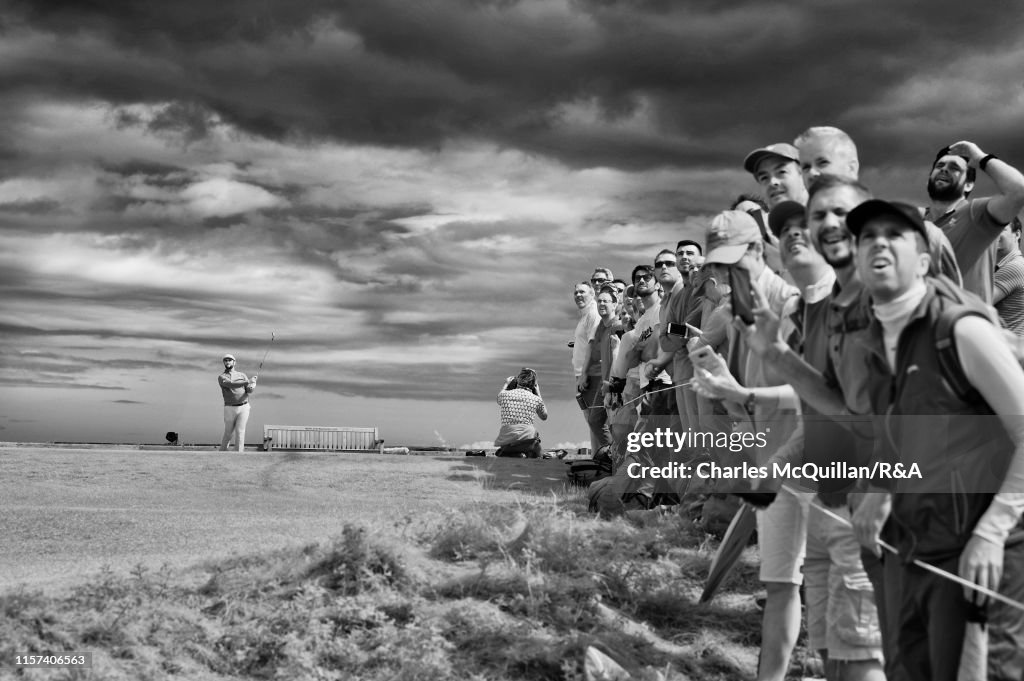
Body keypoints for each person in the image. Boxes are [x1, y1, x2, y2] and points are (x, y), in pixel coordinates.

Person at [842, 199, 1024, 681]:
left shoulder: (960, 329)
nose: (878, 242)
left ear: (924, 261)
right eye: (867, 237)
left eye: (895, 235)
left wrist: (992, 533)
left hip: (980, 550)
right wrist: (880, 488)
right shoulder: (874, 339)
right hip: (916, 541)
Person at [691, 210, 804, 681]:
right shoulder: (739, 320)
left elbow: (827, 396)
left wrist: (742, 396)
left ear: (759, 252)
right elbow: (751, 413)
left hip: (821, 458)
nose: (722, 276)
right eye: (716, 268)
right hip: (772, 466)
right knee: (779, 584)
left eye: (731, 265)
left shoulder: (797, 307)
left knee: (843, 589)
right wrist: (726, 391)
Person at [923, 141, 1024, 303]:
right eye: (939, 165)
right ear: (929, 179)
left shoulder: (976, 214)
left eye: (954, 168)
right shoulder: (915, 221)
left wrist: (981, 159)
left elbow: (1018, 191)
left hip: (965, 324)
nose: (944, 169)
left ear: (969, 185)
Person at [571, 281, 601, 453]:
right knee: (591, 419)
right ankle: (596, 457)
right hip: (581, 373)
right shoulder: (584, 316)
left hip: (588, 374)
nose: (578, 295)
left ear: (592, 294)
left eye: (582, 292)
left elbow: (592, 344)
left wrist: (584, 373)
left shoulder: (593, 313)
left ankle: (601, 458)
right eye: (576, 293)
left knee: (595, 420)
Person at [494, 368, 548, 458]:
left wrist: (506, 384)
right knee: (535, 439)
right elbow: (544, 416)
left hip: (507, 444)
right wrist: (538, 392)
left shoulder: (503, 395)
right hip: (528, 444)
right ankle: (530, 454)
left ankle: (515, 454)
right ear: (534, 385)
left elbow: (498, 399)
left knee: (507, 443)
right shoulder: (536, 399)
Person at [219, 353, 256, 453]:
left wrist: (252, 386)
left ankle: (238, 454)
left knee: (240, 431)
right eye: (225, 360)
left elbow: (248, 390)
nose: (227, 362)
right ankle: (222, 452)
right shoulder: (222, 377)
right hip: (229, 408)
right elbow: (231, 385)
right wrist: (248, 381)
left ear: (234, 362)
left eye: (229, 360)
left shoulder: (242, 375)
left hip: (244, 407)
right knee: (228, 433)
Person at [994, 217, 1024, 336]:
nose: (993, 234)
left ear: (1017, 234)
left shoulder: (1014, 268)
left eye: (1001, 229)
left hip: (1009, 350)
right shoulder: (1001, 266)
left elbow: (975, 302)